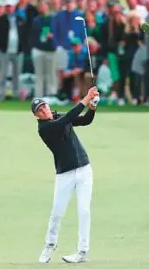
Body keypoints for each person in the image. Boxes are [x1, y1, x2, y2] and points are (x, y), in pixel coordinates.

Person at [32, 86, 99, 264]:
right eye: (40, 110)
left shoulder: (58, 116)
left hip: (84, 169)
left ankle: (82, 251)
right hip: (65, 175)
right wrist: (85, 98)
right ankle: (50, 245)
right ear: (36, 116)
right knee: (57, 213)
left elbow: (85, 121)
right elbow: (66, 120)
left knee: (84, 211)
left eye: (44, 106)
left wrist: (92, 107)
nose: (44, 110)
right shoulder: (45, 129)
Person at [0, 0, 25, 100]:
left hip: (17, 51)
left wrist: (22, 47)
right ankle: (1, 94)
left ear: (14, 7)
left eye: (10, 6)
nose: (9, 8)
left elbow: (25, 34)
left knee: (16, 75)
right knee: (3, 74)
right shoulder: (0, 20)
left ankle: (16, 94)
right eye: (7, 6)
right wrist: (0, 47)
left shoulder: (20, 19)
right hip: (4, 51)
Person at [30, 0, 57, 97]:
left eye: (44, 5)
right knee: (39, 75)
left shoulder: (53, 18)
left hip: (50, 50)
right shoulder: (36, 20)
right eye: (40, 6)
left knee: (51, 75)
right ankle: (38, 97)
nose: (42, 7)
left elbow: (58, 33)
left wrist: (53, 35)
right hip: (38, 49)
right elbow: (33, 35)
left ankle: (51, 95)